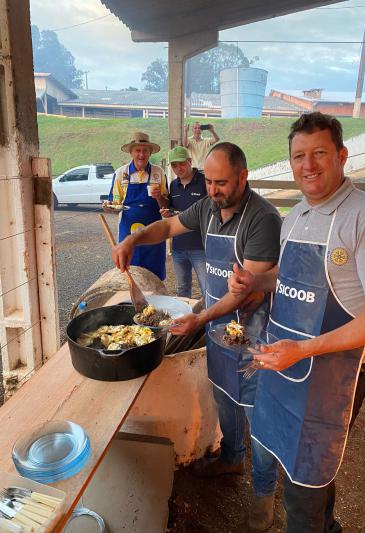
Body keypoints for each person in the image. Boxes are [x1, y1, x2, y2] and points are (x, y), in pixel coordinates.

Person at [228, 112, 365, 532]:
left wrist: (304, 349)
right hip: (288, 363)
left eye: (319, 153)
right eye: (299, 156)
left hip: (333, 373)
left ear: (341, 155)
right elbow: (286, 279)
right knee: (305, 467)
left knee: (305, 484)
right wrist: (257, 279)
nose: (308, 165)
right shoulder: (297, 215)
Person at [112, 142, 282, 531]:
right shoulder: (207, 206)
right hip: (218, 324)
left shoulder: (263, 219)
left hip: (254, 332)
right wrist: (133, 240)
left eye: (222, 183)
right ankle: (230, 458)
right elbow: (169, 226)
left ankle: (264, 494)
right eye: (210, 182)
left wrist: (199, 318)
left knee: (261, 415)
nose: (213, 190)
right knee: (224, 395)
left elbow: (244, 293)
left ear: (244, 177)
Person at [103, 131, 169, 280]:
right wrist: (109, 206)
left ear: (150, 152)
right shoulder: (121, 174)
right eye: (137, 150)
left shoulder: (158, 173)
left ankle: (156, 300)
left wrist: (159, 197)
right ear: (131, 152)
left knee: (154, 274)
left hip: (154, 232)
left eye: (145, 150)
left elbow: (166, 205)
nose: (141, 154)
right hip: (128, 232)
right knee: (129, 271)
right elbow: (115, 204)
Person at [160, 146, 207, 298]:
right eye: (174, 165)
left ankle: (211, 320)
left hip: (201, 247)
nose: (178, 168)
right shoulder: (173, 185)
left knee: (207, 288)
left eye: (181, 163)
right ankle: (185, 319)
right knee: (182, 289)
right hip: (178, 247)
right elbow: (173, 209)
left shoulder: (204, 181)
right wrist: (168, 213)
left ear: (189, 161)